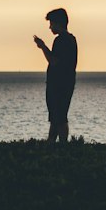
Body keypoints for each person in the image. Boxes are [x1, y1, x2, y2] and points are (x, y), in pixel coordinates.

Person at [33, 7, 78, 144]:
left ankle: (61, 144)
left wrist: (43, 47)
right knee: (57, 117)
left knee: (59, 117)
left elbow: (54, 61)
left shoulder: (61, 40)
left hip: (59, 84)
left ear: (58, 23)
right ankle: (52, 142)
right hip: (66, 83)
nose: (50, 27)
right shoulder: (71, 39)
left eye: (51, 23)